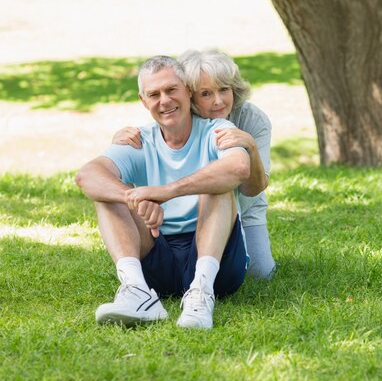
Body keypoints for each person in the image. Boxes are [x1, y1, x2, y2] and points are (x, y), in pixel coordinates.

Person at [75, 55, 251, 329]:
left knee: (216, 182)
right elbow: (87, 175)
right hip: (158, 257)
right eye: (154, 94)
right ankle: (137, 292)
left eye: (171, 90)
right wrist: (135, 198)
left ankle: (201, 294)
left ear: (187, 91)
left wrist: (166, 192)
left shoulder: (217, 129)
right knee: (108, 194)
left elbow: (239, 168)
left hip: (216, 263)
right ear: (143, 101)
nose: (164, 101)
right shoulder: (138, 140)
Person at [113, 49, 276, 280]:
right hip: (193, 211)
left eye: (224, 90)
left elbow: (254, 188)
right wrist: (121, 143)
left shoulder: (252, 120)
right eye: (206, 93)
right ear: (190, 96)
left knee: (261, 274)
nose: (218, 101)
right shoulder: (183, 119)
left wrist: (249, 146)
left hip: (246, 205)